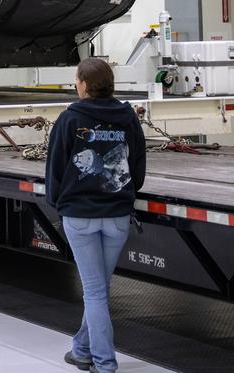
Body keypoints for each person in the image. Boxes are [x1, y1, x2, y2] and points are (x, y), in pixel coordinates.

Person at [46, 57, 146, 373]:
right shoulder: (128, 118)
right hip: (117, 215)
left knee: (95, 292)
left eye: (77, 79)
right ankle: (81, 349)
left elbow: (55, 168)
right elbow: (138, 166)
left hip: (79, 215)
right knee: (99, 289)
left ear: (85, 85)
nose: (76, 83)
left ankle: (104, 362)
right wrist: (126, 194)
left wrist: (57, 203)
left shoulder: (69, 120)